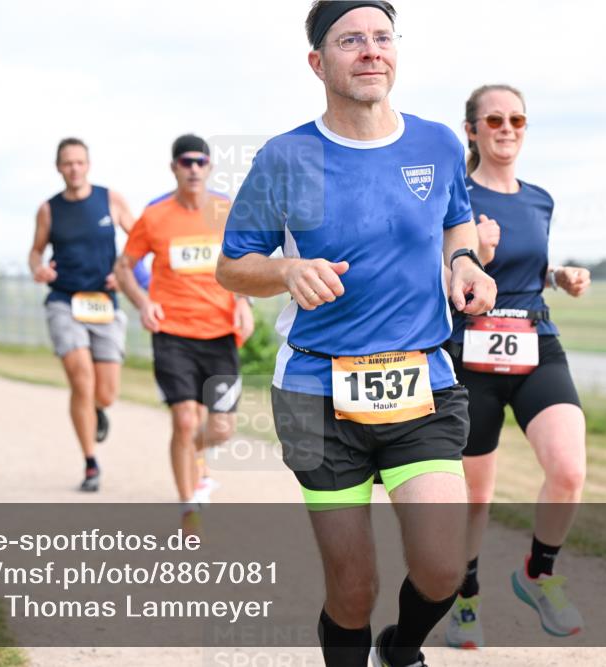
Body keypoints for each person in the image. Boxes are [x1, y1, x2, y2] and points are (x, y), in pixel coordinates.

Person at [215, 3, 497, 666]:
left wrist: (464, 263)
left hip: (420, 381)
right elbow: (232, 265)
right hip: (317, 390)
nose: (370, 51)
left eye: (381, 38)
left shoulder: (435, 144)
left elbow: (457, 222)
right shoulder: (286, 157)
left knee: (442, 566)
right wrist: (286, 268)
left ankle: (400, 650)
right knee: (352, 588)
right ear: (318, 62)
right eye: (350, 41)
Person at [441, 83, 591, 649]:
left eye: (518, 120)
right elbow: (435, 279)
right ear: (472, 131)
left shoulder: (540, 199)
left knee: (569, 470)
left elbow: (534, 266)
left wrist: (561, 277)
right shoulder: (454, 201)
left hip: (534, 341)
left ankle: (538, 574)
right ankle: (466, 599)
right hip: (470, 353)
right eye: (495, 120)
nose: (507, 129)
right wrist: (472, 252)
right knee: (476, 497)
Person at [115, 134, 254, 515]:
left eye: (200, 162)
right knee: (184, 417)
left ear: (209, 167)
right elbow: (124, 267)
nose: (193, 168)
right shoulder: (155, 216)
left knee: (221, 428)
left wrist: (243, 302)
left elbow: (245, 262)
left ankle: (192, 451)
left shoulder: (226, 209)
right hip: (172, 333)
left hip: (221, 333)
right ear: (174, 167)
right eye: (185, 162)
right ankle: (189, 505)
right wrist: (142, 302)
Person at [29, 137, 135, 492]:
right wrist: (39, 269)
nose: (74, 168)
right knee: (81, 378)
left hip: (104, 302)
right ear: (59, 168)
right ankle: (91, 463)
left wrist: (124, 274)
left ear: (87, 165)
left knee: (105, 393)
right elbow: (35, 252)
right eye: (67, 163)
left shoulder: (111, 199)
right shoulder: (48, 209)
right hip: (64, 301)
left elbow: (140, 242)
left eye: (79, 162)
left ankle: (97, 411)